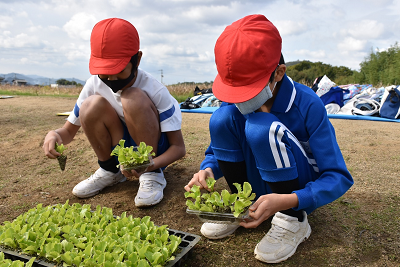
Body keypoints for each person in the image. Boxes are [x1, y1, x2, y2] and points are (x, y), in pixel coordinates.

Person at [184, 14, 353, 263]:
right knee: (221, 117)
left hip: (295, 191)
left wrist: (292, 199)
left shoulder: (307, 104)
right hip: (258, 184)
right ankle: (240, 205)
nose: (240, 99)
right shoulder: (236, 103)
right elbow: (217, 150)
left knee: (262, 127)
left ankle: (292, 220)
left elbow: (338, 176)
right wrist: (208, 169)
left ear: (279, 73)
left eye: (248, 89)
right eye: (235, 90)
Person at [43, 18, 185, 207]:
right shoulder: (94, 85)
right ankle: (111, 171)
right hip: (122, 146)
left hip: (154, 155)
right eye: (104, 72)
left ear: (137, 59)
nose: (111, 78)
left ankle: (152, 176)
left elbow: (178, 148)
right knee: (90, 105)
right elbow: (68, 132)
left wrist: (150, 164)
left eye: (118, 70)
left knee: (131, 97)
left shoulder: (154, 90)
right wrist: (54, 134)